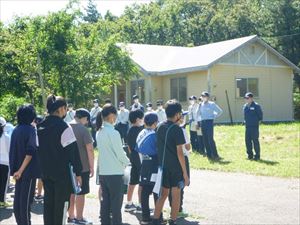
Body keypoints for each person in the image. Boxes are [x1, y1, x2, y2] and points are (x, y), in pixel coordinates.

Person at [37, 95, 82, 225]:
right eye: (65, 108)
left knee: (49, 205)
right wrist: (78, 173)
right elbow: (73, 152)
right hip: (62, 174)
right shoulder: (64, 127)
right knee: (61, 206)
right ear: (61, 109)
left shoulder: (40, 126)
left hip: (46, 172)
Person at [153, 100, 189, 225]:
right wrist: (185, 173)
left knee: (162, 195)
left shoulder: (159, 126)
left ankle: (155, 220)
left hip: (163, 166)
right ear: (178, 114)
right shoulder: (177, 129)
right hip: (175, 168)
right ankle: (172, 220)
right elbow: (180, 152)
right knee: (176, 195)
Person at [96, 104, 130, 225]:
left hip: (104, 172)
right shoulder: (113, 133)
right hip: (115, 172)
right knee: (116, 204)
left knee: (105, 202)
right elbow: (120, 154)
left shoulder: (99, 131)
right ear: (111, 116)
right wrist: (128, 163)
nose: (116, 117)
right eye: (115, 115)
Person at [9, 104, 40, 225]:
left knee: (17, 205)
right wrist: (21, 171)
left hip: (17, 172)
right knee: (25, 205)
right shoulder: (31, 130)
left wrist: (16, 171)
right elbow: (30, 152)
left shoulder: (16, 129)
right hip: (27, 172)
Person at [68, 109, 94, 225]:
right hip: (82, 166)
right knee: (81, 193)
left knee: (71, 192)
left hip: (68, 167)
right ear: (84, 118)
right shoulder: (84, 130)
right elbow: (89, 149)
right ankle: (79, 218)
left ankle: (71, 216)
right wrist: (92, 166)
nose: (86, 122)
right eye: (86, 120)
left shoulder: (66, 127)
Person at [135, 113, 162, 224]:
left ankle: (145, 217)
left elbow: (138, 151)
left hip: (144, 164)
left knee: (145, 192)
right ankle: (158, 217)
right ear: (155, 123)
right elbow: (158, 151)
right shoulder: (154, 135)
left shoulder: (141, 133)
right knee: (156, 191)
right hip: (154, 165)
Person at [168, 111, 191, 218]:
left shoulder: (169, 129)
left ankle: (172, 208)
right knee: (181, 184)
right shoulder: (182, 130)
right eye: (182, 117)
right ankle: (178, 209)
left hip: (171, 159)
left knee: (171, 186)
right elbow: (187, 147)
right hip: (183, 158)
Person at [124, 109, 144, 213]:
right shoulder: (140, 130)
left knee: (133, 181)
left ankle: (129, 203)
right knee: (142, 181)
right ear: (137, 119)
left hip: (133, 157)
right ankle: (141, 204)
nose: (143, 120)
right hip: (140, 158)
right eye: (142, 118)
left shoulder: (130, 130)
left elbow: (129, 148)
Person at [197, 91, 223, 160]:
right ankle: (209, 155)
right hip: (203, 122)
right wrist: (198, 106)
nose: (203, 98)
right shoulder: (200, 105)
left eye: (204, 96)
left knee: (210, 139)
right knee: (205, 139)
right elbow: (198, 114)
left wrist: (213, 116)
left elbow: (220, 111)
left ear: (207, 97)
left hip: (209, 122)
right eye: (202, 96)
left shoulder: (212, 104)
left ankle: (215, 155)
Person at [243, 92, 263, 160]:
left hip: (254, 126)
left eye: (247, 98)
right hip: (247, 126)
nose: (246, 99)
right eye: (245, 98)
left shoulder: (256, 106)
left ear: (251, 98)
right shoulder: (245, 106)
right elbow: (245, 116)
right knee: (247, 141)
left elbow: (260, 116)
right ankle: (250, 155)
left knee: (255, 141)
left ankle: (257, 156)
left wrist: (256, 122)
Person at [0, 117, 12, 208]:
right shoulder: (6, 137)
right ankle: (2, 201)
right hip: (5, 163)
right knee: (4, 184)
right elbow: (9, 150)